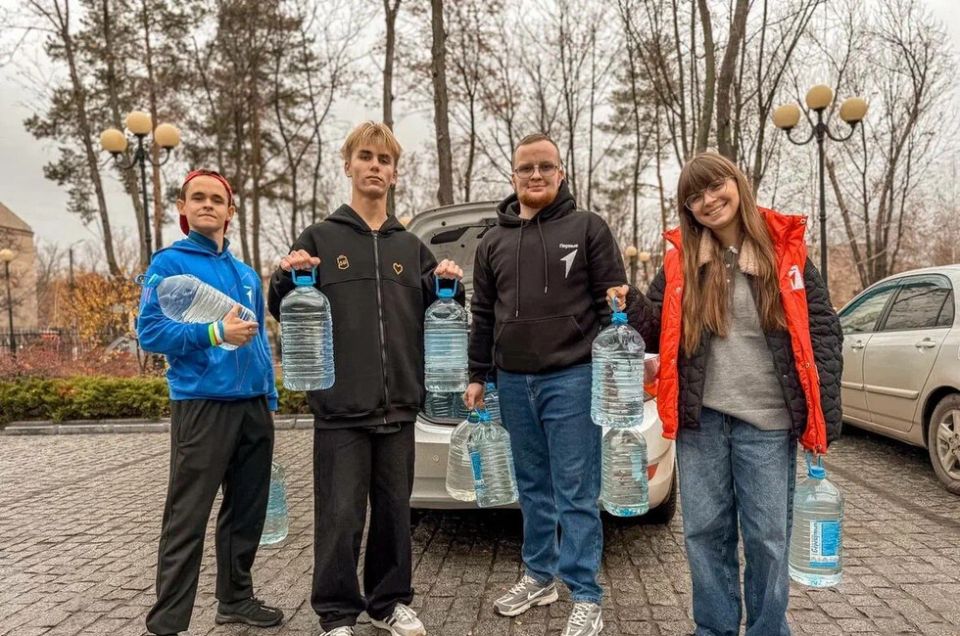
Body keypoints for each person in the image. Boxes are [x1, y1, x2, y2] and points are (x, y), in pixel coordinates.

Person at [609, 151, 843, 636]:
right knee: (704, 533)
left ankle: (766, 629)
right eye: (694, 196)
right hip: (702, 421)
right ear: (687, 209)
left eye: (716, 186)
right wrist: (628, 301)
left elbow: (821, 331)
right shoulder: (681, 263)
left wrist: (823, 417)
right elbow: (656, 329)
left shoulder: (786, 252)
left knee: (768, 539)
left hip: (767, 422)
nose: (708, 200)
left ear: (737, 183)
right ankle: (713, 628)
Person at [268, 122, 463, 636]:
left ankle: (389, 604)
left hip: (399, 404)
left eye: (384, 159)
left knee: (396, 516)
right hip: (339, 409)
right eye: (366, 157)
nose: (375, 166)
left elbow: (437, 317)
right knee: (339, 518)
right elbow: (283, 308)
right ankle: (336, 614)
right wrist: (286, 277)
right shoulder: (319, 238)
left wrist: (451, 290)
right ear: (348, 165)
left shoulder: (410, 248)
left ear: (395, 173)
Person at [464, 133, 627, 636]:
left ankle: (585, 593)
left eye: (545, 167)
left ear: (561, 174)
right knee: (532, 488)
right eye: (526, 168)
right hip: (513, 382)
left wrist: (614, 374)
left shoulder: (588, 228)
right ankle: (540, 575)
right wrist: (477, 374)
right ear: (513, 177)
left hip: (573, 377)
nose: (535, 176)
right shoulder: (492, 240)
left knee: (576, 490)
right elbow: (483, 316)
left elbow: (611, 308)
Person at [138, 170, 282, 636]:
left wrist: (270, 394)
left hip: (253, 406)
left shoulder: (244, 275)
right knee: (188, 514)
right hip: (201, 405)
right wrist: (213, 332)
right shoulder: (169, 264)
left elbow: (259, 340)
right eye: (197, 198)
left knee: (247, 510)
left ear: (229, 210)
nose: (207, 205)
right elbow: (151, 332)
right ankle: (167, 623)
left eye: (216, 199)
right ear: (183, 207)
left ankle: (235, 600)